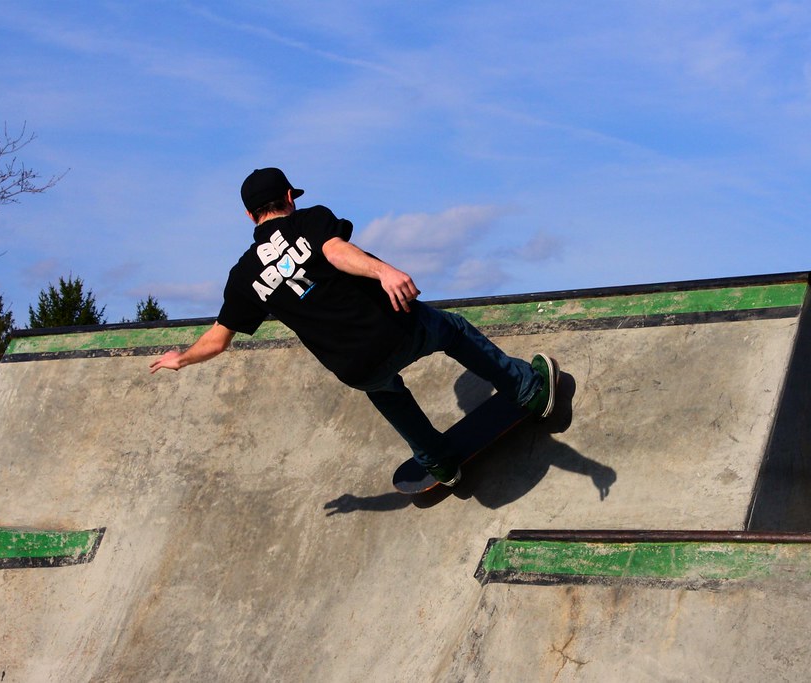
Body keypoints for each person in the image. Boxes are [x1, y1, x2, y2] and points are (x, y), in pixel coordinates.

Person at [150, 167, 558, 486]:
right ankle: (529, 390)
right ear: (289, 197)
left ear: (248, 215)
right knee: (452, 331)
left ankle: (438, 461)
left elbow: (217, 340)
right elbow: (335, 251)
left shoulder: (242, 276)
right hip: (394, 327)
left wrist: (180, 359)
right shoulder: (310, 220)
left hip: (351, 365)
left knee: (385, 390)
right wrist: (384, 271)